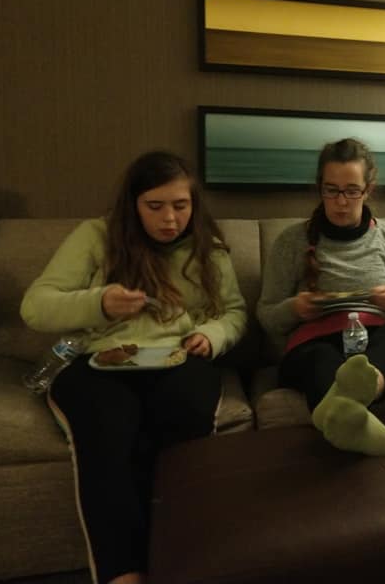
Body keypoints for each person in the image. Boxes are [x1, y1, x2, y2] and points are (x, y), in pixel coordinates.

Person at [20, 151, 247, 584]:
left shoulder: (208, 248)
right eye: (155, 206)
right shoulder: (96, 236)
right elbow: (35, 306)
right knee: (107, 427)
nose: (170, 219)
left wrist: (213, 336)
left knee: (183, 418)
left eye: (181, 206)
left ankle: (180, 562)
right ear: (133, 204)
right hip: (101, 359)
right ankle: (123, 573)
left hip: (178, 357)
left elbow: (234, 313)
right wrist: (99, 302)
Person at [257, 137, 385, 457]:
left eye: (351, 191)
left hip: (375, 345)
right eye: (331, 190)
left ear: (368, 189)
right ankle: (355, 417)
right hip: (316, 344)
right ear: (319, 188)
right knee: (322, 358)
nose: (341, 202)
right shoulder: (291, 241)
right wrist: (295, 308)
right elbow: (266, 315)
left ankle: (360, 391)